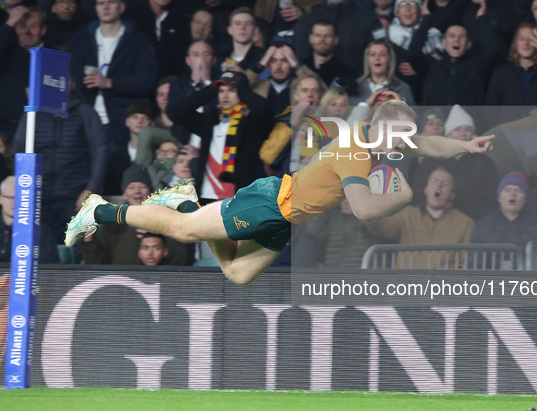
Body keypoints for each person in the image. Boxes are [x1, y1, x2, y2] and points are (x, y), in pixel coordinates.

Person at [66, 99, 495, 285]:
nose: (404, 148)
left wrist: (464, 147)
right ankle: (101, 211)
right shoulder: (354, 150)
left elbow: (426, 144)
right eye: (400, 140)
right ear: (385, 128)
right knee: (182, 231)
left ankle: (183, 199)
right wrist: (401, 197)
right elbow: (363, 209)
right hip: (271, 203)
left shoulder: (376, 137)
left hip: (286, 218)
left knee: (237, 273)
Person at [69, 0, 158, 195]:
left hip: (120, 122)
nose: (105, 7)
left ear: (122, 7)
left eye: (111, 2)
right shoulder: (82, 38)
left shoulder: (137, 40)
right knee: (87, 175)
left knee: (117, 177)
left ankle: (119, 222)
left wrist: (110, 83)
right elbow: (72, 78)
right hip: (87, 119)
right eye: (101, 3)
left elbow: (146, 79)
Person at [12, 77, 108, 244]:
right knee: (42, 253)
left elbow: (100, 151)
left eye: (63, 79)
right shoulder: (33, 115)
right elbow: (18, 154)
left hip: (75, 197)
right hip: (39, 199)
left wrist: (91, 189)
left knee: (76, 253)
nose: (57, 84)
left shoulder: (85, 112)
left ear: (73, 83)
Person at [173, 71, 271, 204]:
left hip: (241, 197)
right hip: (208, 195)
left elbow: (265, 109)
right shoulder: (210, 120)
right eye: (221, 91)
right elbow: (180, 111)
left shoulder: (252, 122)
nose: (225, 95)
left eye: (231, 90)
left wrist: (244, 91)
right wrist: (211, 90)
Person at [365, 167, 474, 269]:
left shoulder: (465, 223)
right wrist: (369, 209)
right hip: (407, 286)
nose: (439, 185)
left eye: (445, 184)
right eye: (435, 181)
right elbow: (381, 228)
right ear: (426, 189)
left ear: (452, 195)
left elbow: (468, 263)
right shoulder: (408, 215)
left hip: (443, 287)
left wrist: (449, 273)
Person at [81, 164, 188, 265]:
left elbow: (181, 261)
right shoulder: (112, 223)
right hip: (121, 281)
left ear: (150, 193)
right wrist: (88, 237)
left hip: (157, 281)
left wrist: (157, 234)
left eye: (143, 186)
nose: (137, 191)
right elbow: (95, 264)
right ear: (124, 194)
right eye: (131, 187)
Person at [410, 105, 499, 221]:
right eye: (457, 129)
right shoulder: (432, 159)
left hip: (472, 224)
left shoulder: (484, 163)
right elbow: (417, 194)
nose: (463, 134)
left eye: (467, 129)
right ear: (448, 134)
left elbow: (491, 201)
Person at [486, 22, 537, 109]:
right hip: (507, 123)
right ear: (515, 43)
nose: (526, 43)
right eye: (521, 39)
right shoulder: (501, 74)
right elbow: (490, 109)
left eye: (531, 39)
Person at [471, 171, 537, 256]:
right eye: (507, 190)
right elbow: (474, 263)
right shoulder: (482, 226)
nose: (512, 194)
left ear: (526, 199)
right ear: (499, 197)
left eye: (519, 191)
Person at [292, 0, 383, 75]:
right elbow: (301, 57)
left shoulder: (368, 18)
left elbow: (383, 52)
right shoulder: (306, 21)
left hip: (358, 86)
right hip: (313, 89)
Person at [0, 7, 47, 141]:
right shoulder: (7, 53)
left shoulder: (53, 56)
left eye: (33, 26)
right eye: (22, 26)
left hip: (44, 127)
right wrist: (9, 24)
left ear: (43, 30)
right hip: (9, 126)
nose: (27, 31)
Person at [0, 176, 59, 263]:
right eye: (11, 198)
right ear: (1, 199)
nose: (15, 202)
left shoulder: (41, 232)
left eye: (20, 198)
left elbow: (50, 269)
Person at [350, 39, 415, 106]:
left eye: (382, 54)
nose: (377, 58)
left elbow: (411, 115)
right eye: (373, 54)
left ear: (390, 60)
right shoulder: (355, 87)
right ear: (367, 60)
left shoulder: (403, 88)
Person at [301, 19, 358, 87]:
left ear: (336, 40)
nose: (322, 39)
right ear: (310, 38)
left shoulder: (348, 74)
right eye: (318, 35)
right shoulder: (299, 68)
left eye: (327, 36)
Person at [216, 7, 265, 74]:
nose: (242, 27)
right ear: (230, 30)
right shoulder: (221, 58)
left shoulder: (263, 57)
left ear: (255, 29)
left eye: (248, 23)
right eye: (237, 23)